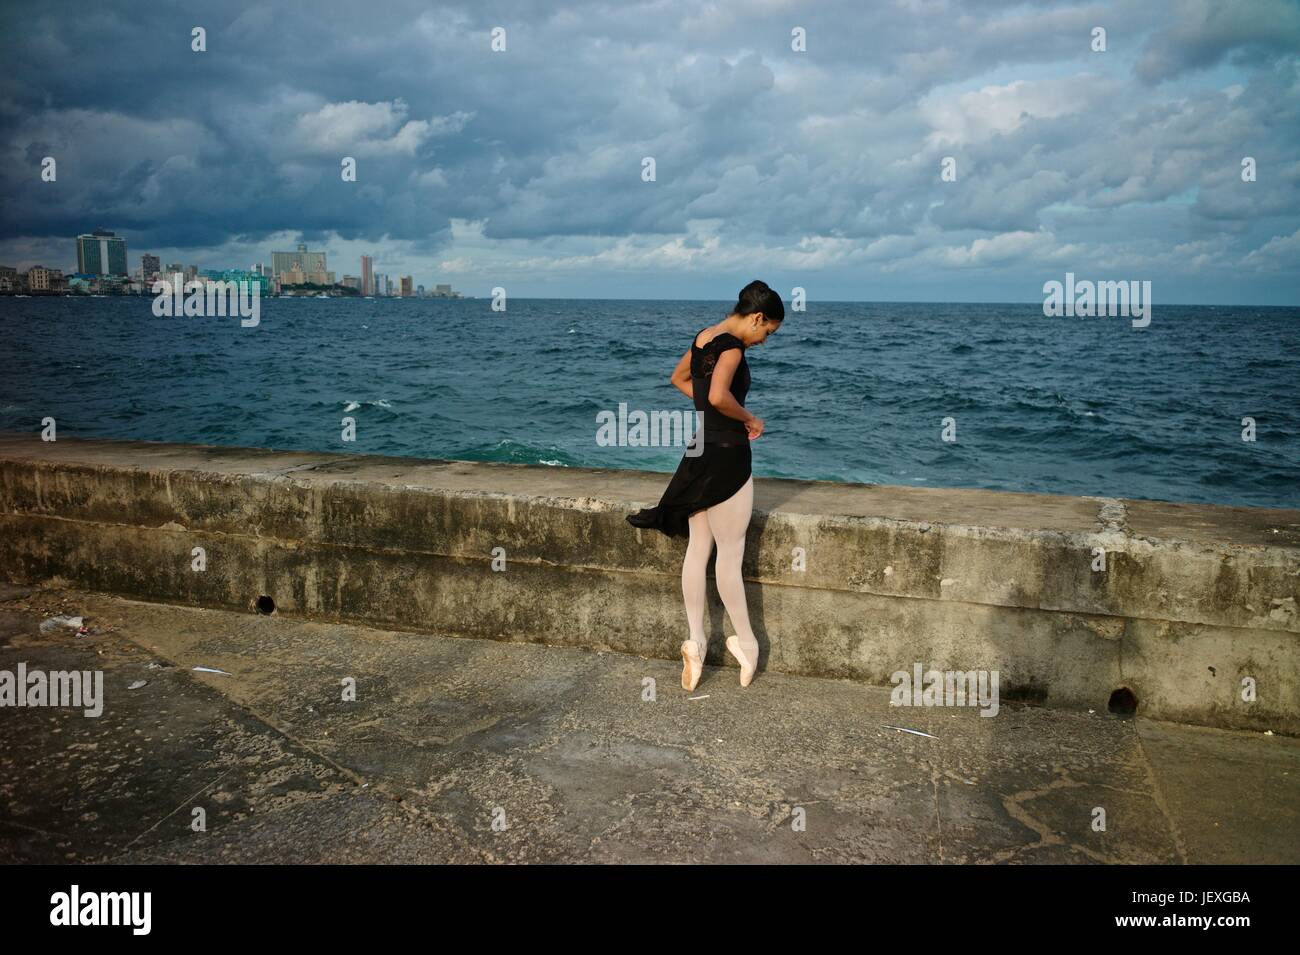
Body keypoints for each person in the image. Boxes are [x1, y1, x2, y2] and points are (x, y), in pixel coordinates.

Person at [626, 280, 784, 691]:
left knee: (699, 549)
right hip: (727, 455)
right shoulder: (732, 345)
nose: (764, 341)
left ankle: (695, 641)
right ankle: (747, 644)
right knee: (729, 557)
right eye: (767, 332)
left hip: (698, 453)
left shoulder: (703, 338)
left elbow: (678, 378)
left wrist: (710, 408)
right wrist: (748, 419)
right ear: (757, 317)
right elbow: (717, 396)